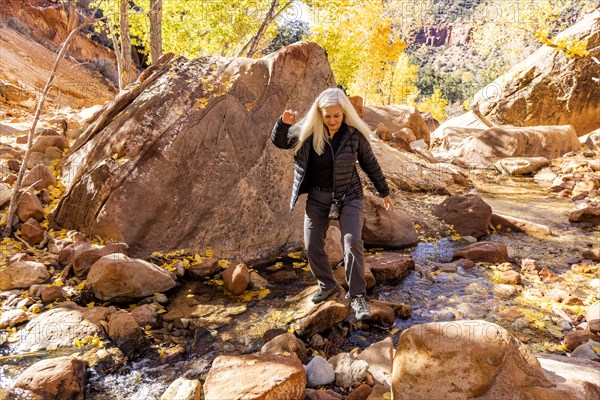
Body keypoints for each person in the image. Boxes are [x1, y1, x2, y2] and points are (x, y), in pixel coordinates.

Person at [271, 87, 394, 321]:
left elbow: (370, 164)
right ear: (320, 113)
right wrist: (283, 123)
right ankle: (327, 285)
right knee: (311, 245)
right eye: (327, 116)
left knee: (351, 242)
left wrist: (384, 192)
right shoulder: (308, 133)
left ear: (344, 113)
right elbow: (281, 142)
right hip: (318, 198)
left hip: (349, 196)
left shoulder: (354, 135)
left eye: (337, 115)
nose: (332, 120)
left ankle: (357, 296)